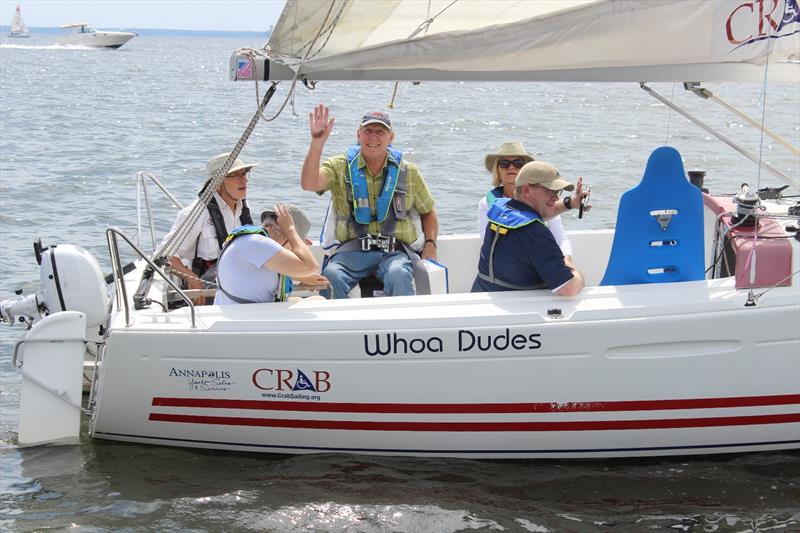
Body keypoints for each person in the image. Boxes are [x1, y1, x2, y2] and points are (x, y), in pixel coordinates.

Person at [301, 104, 439, 299]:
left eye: (380, 132)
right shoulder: (340, 166)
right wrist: (317, 142)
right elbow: (308, 183)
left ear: (391, 137)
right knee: (331, 275)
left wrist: (431, 243)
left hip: (395, 251)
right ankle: (341, 328)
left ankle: (403, 326)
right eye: (368, 131)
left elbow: (428, 211)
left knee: (398, 274)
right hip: (351, 251)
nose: (373, 137)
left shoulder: (409, 172)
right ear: (358, 134)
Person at [472, 161, 586, 296]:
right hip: (518, 308)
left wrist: (571, 203)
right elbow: (568, 288)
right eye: (550, 191)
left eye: (558, 192)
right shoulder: (535, 232)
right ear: (526, 190)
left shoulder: (500, 207)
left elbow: (540, 213)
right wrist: (577, 274)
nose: (556, 198)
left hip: (482, 293)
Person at [161, 152, 257, 301]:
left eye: (244, 173)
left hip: (242, 282)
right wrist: (192, 278)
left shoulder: (243, 207)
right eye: (236, 175)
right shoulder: (196, 213)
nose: (244, 179)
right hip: (211, 290)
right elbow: (165, 256)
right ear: (217, 183)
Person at [478, 141, 588, 266]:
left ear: (526, 169)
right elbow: (488, 242)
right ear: (497, 169)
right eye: (504, 163)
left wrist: (567, 261)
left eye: (517, 163)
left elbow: (560, 238)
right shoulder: (487, 203)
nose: (511, 167)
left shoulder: (545, 199)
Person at [213, 204, 322, 305]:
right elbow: (311, 267)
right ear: (284, 234)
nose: (293, 252)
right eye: (294, 244)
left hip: (235, 311)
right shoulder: (258, 244)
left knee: (309, 301)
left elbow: (258, 274)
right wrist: (291, 230)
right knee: (319, 302)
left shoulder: (251, 241)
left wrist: (301, 276)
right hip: (244, 319)